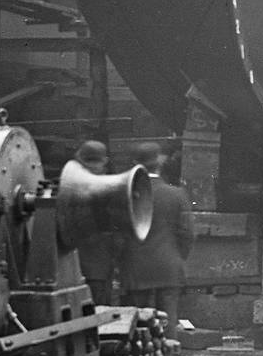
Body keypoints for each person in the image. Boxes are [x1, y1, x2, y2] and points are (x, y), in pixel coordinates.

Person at [122, 142, 193, 326]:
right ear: (159, 163)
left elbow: (118, 234)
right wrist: (177, 256)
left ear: (135, 163)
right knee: (168, 320)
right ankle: (169, 351)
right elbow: (187, 234)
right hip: (168, 265)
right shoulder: (177, 194)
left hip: (136, 268)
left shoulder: (125, 195)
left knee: (137, 325)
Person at [71, 139, 121, 306]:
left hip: (77, 263)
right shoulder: (111, 186)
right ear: (104, 161)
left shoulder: (70, 183)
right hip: (99, 263)